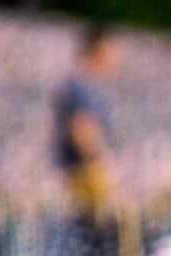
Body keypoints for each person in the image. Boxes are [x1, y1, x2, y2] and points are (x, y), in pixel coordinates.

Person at [54, 23, 120, 216]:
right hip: (87, 174)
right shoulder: (82, 83)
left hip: (84, 172)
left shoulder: (80, 83)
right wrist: (101, 160)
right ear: (100, 49)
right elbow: (81, 127)